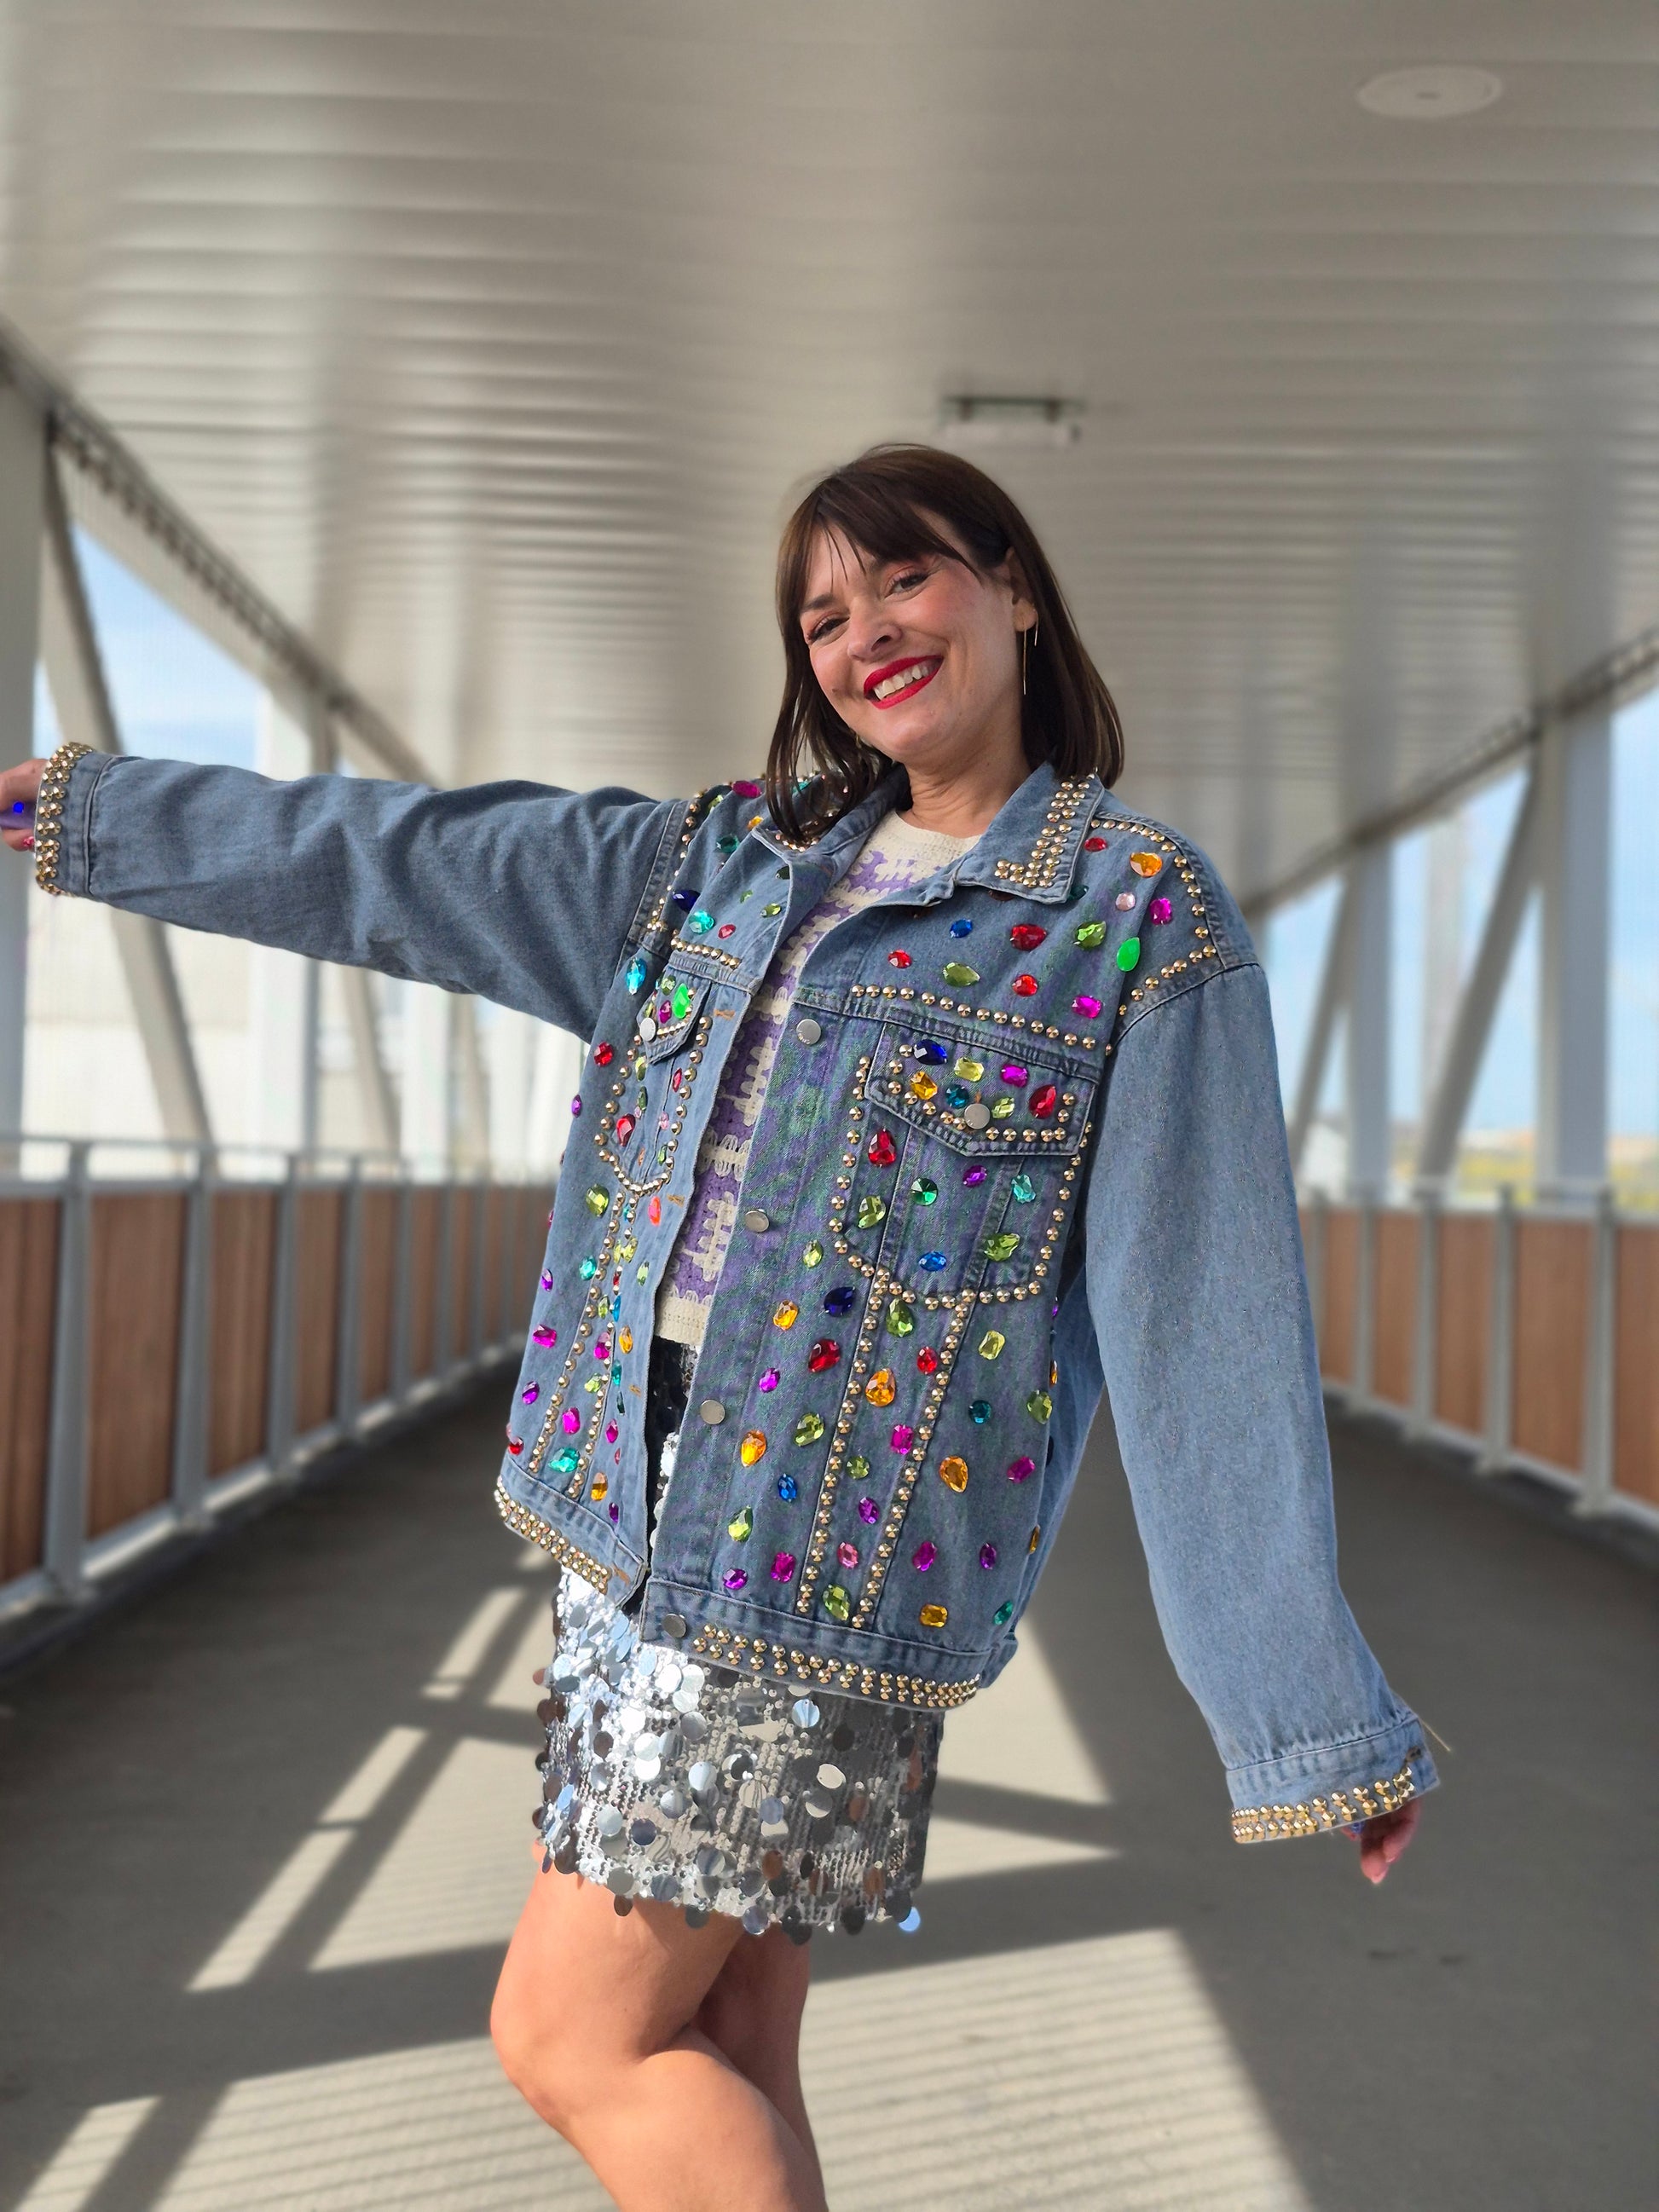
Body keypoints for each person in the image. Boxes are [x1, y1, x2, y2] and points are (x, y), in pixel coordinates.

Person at [3, 443, 1431, 2212]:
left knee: (572, 2038)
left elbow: (1202, 1320)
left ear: (1012, 587)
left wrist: (1303, 1711)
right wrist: (97, 818)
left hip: (813, 1562)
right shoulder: (716, 868)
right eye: (821, 615)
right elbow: (401, 860)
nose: (864, 632)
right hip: (624, 1511)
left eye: (902, 578)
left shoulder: (1130, 915)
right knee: (728, 2034)